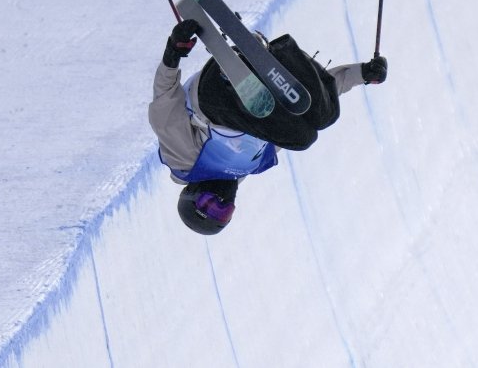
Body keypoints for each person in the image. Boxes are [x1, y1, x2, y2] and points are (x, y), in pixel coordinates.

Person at [149, 19, 387, 235]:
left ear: (192, 194)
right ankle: (274, 55)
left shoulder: (185, 162)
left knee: (300, 137)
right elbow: (302, 104)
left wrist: (173, 52)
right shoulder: (250, 164)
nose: (222, 201)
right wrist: (362, 74)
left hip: (214, 95)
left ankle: (233, 77)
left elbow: (164, 100)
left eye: (209, 204)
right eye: (225, 212)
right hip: (260, 96)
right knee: (322, 116)